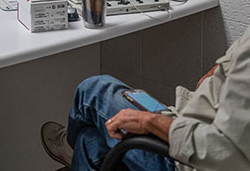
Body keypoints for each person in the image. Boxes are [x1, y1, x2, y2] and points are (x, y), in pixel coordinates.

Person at [40, 23, 250, 171]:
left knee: (94, 90)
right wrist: (220, 71)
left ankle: (68, 146)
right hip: (193, 125)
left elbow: (226, 154)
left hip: (185, 158)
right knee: (90, 142)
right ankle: (74, 150)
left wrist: (153, 122)